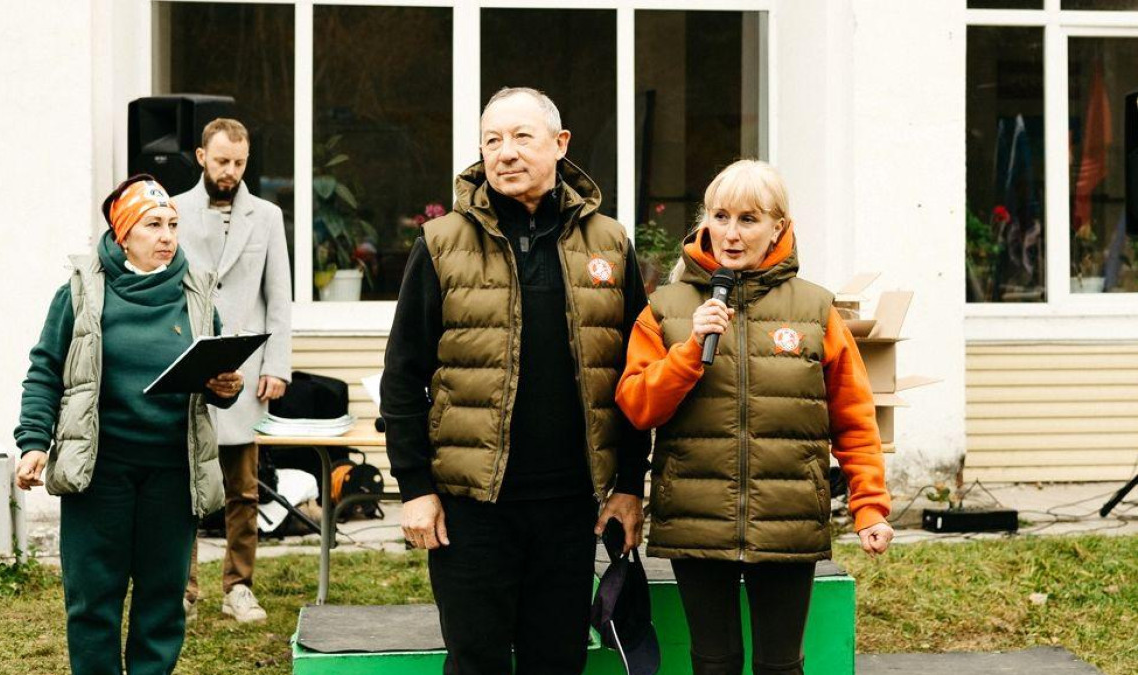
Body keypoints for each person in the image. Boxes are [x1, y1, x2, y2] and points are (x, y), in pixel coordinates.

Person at [381, 86, 649, 674]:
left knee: (556, 661)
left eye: (522, 137)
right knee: (475, 661)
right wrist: (415, 488)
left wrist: (630, 483)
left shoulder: (609, 244)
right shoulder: (441, 244)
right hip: (471, 508)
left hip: (571, 505)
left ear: (560, 144)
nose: (505, 153)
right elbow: (402, 376)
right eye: (492, 140)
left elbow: (636, 375)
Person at [615, 160, 894, 675]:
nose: (731, 233)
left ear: (778, 227)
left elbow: (854, 417)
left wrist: (870, 506)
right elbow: (636, 406)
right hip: (698, 517)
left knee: (780, 666)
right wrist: (690, 349)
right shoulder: (665, 308)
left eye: (748, 219)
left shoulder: (816, 310)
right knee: (714, 663)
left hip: (789, 516)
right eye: (720, 217)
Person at [14, 175, 243, 675]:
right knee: (93, 599)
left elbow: (212, 373)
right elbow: (45, 371)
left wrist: (224, 387)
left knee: (162, 600)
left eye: (173, 225)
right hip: (100, 472)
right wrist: (33, 442)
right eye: (153, 225)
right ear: (123, 234)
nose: (167, 236)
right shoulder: (80, 293)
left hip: (172, 473)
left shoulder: (196, 292)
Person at [175, 117, 292, 623]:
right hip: (189, 364)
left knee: (243, 488)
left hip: (245, 367)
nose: (231, 171)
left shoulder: (267, 216)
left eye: (239, 162)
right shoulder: (173, 210)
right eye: (222, 160)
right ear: (202, 156)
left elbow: (279, 297)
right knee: (183, 485)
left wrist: (278, 365)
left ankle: (239, 586)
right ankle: (182, 588)